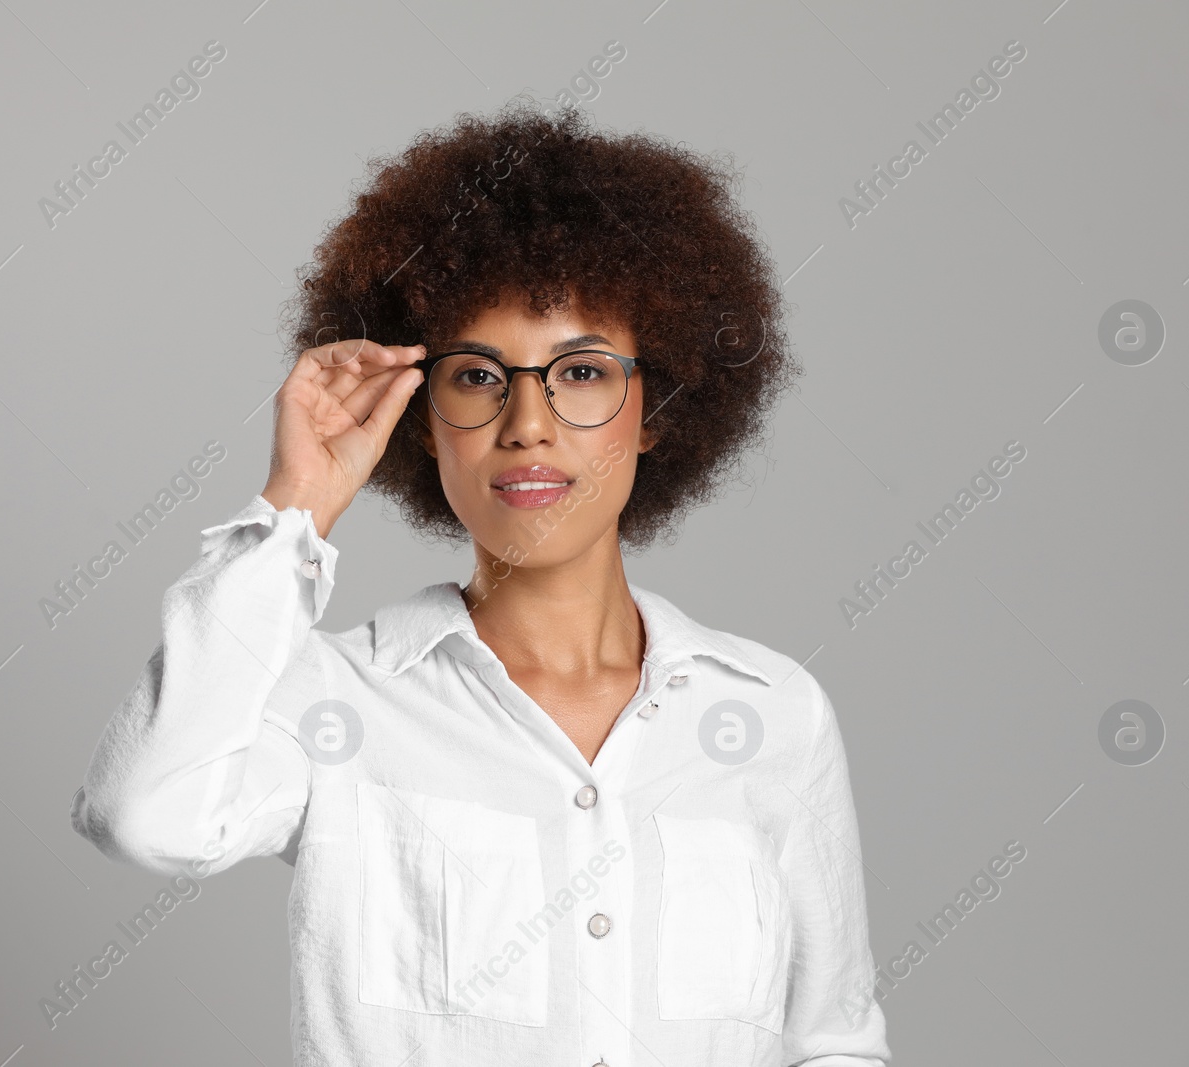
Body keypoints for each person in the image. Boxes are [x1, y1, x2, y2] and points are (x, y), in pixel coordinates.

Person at [70, 97, 891, 1066]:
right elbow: (147, 817)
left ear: (657, 406)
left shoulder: (771, 714)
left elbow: (832, 1037)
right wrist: (299, 499)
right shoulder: (339, 702)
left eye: (580, 373)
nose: (527, 422)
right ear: (423, 419)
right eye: (478, 376)